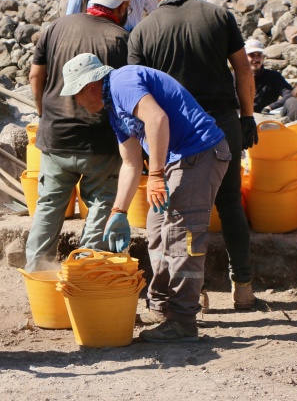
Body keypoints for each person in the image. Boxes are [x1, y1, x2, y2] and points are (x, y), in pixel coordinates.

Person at [60, 53, 230, 342]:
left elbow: (157, 118)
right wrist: (118, 211)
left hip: (197, 155)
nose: (76, 101)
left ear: (89, 85)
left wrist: (157, 175)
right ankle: (161, 306)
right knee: (156, 231)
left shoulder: (121, 81)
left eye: (76, 93)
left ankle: (184, 320)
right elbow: (130, 163)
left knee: (181, 235)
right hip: (178, 160)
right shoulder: (115, 111)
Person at [127, 0, 259, 311]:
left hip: (175, 134)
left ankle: (192, 293)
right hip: (220, 123)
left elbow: (140, 92)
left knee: (176, 213)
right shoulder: (218, 16)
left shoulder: (143, 30)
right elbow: (244, 69)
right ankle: (242, 287)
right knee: (230, 203)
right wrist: (247, 117)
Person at [25, 0, 132, 271]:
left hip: (56, 138)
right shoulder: (121, 39)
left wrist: (43, 114)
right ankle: (84, 275)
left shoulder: (57, 27)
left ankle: (37, 274)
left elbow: (36, 76)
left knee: (48, 209)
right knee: (99, 209)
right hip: (101, 144)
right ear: (122, 7)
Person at [245, 38, 292, 113]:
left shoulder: (273, 77)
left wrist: (271, 107)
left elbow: (290, 94)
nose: (256, 59)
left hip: (265, 119)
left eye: (259, 55)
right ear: (244, 57)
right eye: (252, 55)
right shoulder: (234, 78)